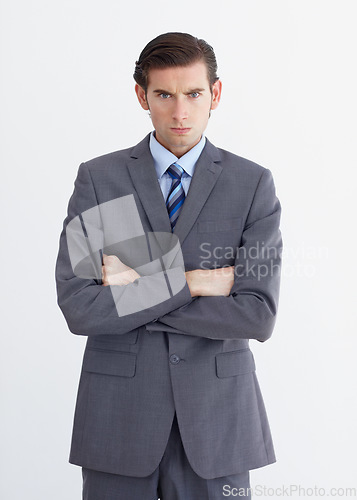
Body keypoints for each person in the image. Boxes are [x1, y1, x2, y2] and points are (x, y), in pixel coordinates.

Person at [55, 31, 282, 500]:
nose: (180, 113)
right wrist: (196, 282)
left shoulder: (252, 184)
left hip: (217, 425)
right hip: (119, 421)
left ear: (214, 94)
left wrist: (134, 285)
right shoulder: (100, 180)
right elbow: (80, 305)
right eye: (164, 95)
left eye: (194, 94)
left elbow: (256, 314)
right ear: (142, 95)